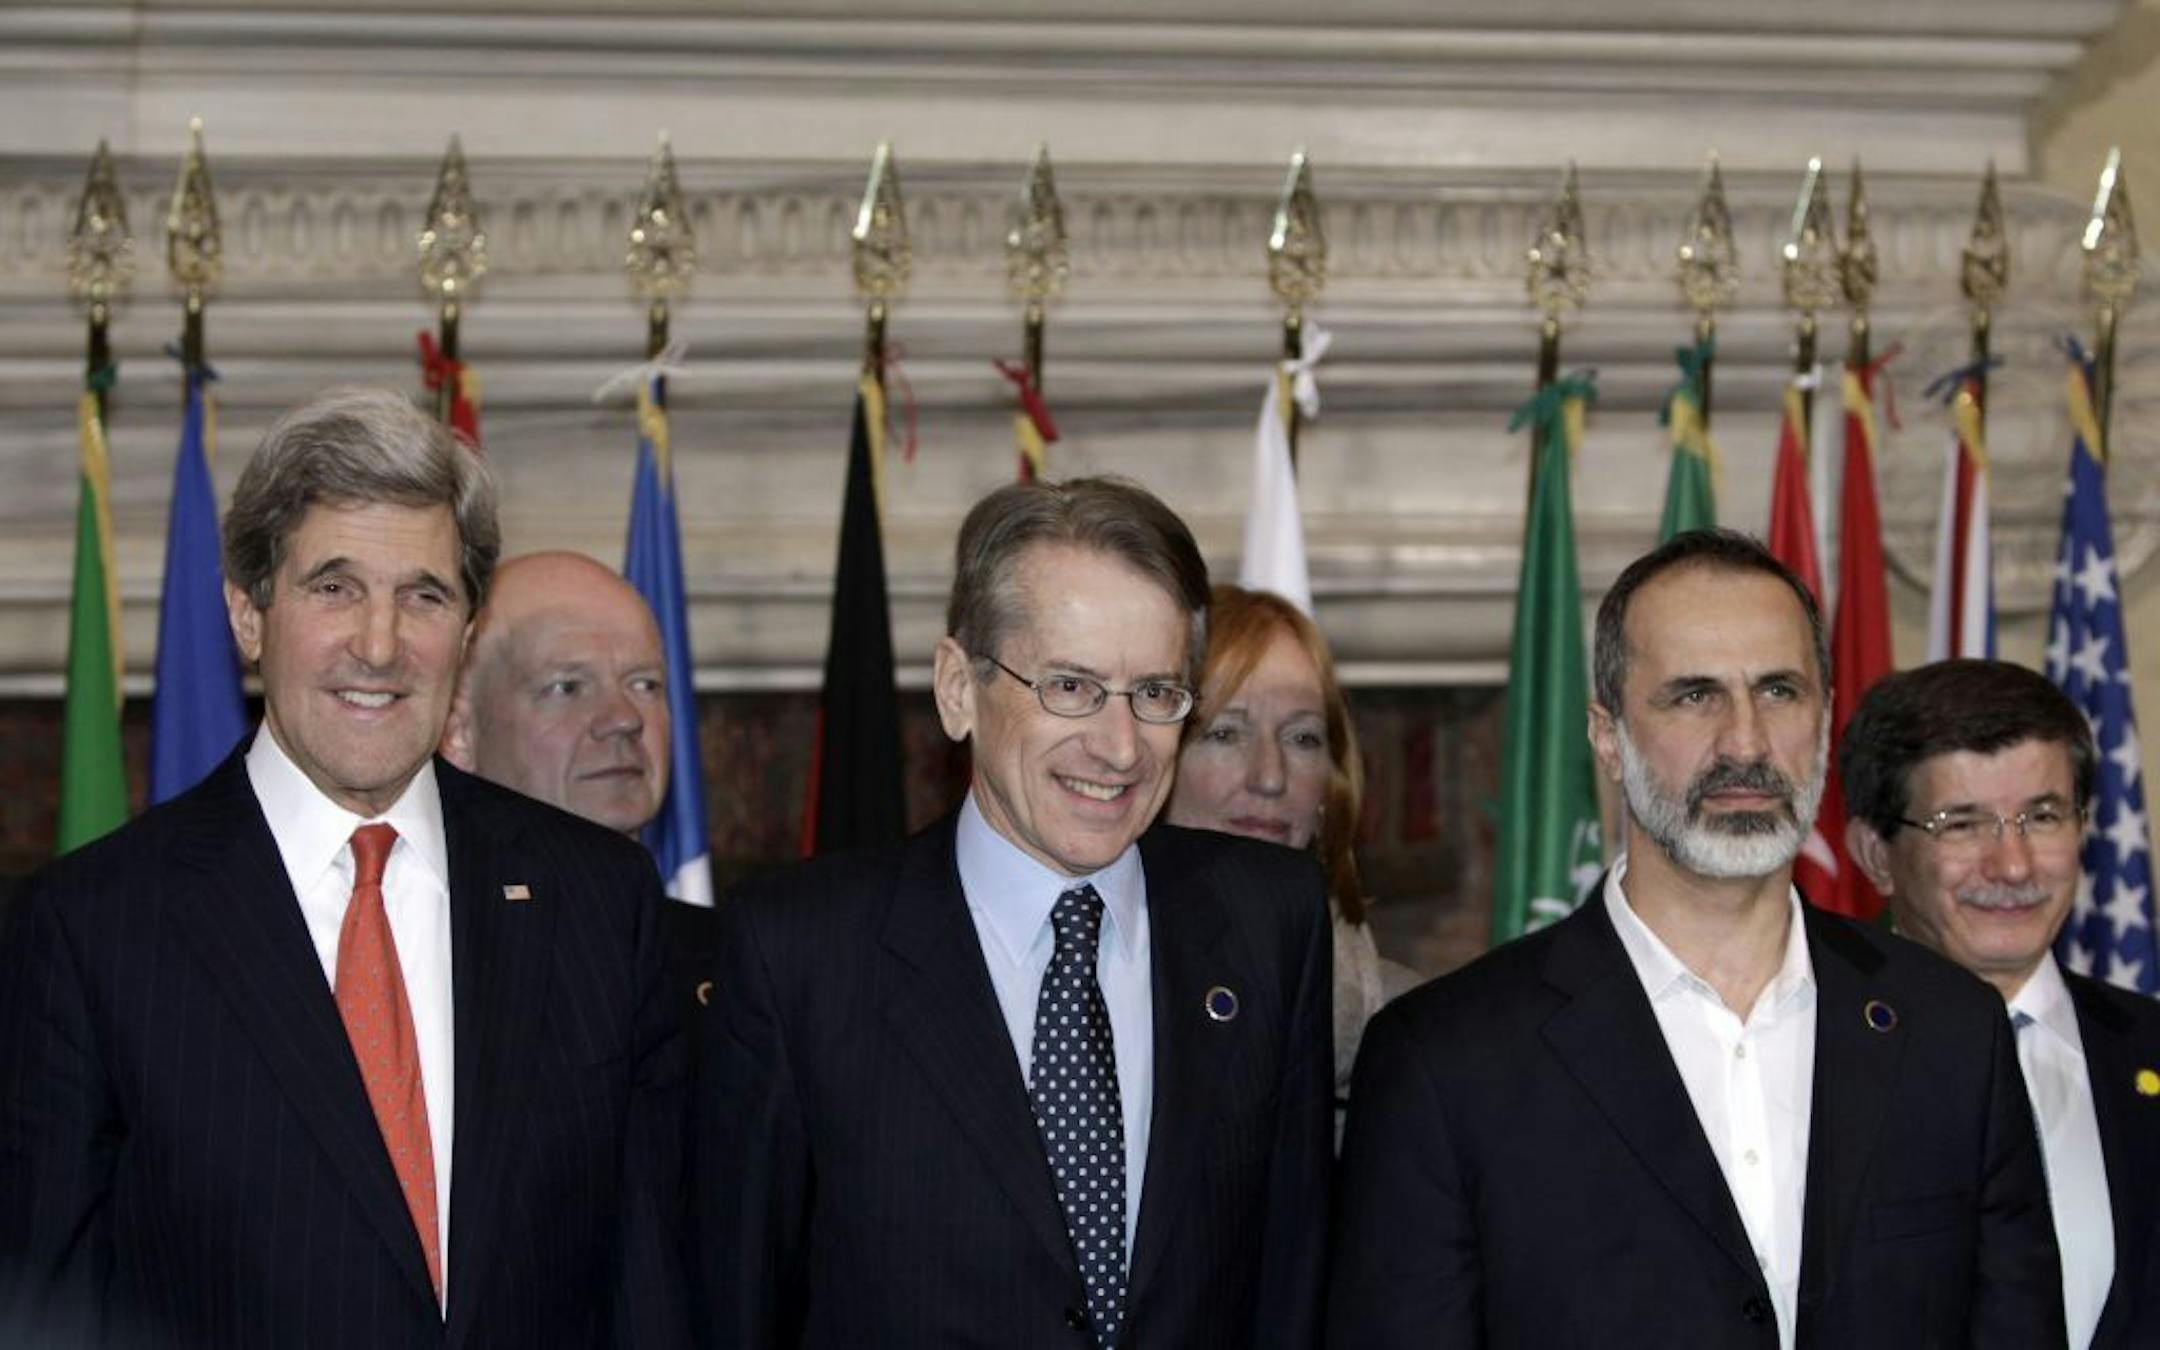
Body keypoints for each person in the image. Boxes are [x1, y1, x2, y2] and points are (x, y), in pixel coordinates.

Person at [0, 387, 687, 1347]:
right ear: (249, 615)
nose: (380, 643)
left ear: (467, 632)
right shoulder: (94, 929)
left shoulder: (597, 900)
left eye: (424, 595)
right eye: (335, 587)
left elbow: (647, 1291)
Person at [1328, 528, 2062, 1349]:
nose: (1745, 743)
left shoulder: (1950, 1032)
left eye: (1780, 691)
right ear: (1607, 736)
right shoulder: (1447, 1061)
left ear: (1824, 718)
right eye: (1694, 695)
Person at [691, 476, 1334, 1348]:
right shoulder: (800, 949)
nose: (1118, 747)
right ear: (959, 688)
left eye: (1154, 694)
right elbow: (736, 1309)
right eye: (1070, 687)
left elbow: (1291, 1287)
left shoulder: (1270, 920)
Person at [1841, 659, 2160, 1349]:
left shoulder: (2150, 1052)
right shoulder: (1810, 1060)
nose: (2013, 866)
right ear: (1875, 854)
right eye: (1962, 824)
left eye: (2042, 816)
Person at [1166, 583, 1415, 1141]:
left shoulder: (1415, 1027)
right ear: (1155, 759)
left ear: (1333, 781)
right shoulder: (1076, 1013)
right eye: (1225, 733)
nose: (1271, 775)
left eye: (1303, 738)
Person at [442, 550, 714, 1011]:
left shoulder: (736, 966)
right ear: (459, 730)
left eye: (645, 684)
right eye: (566, 687)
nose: (625, 719)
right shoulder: (417, 964)